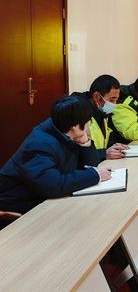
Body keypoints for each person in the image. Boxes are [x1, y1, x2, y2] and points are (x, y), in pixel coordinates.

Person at [0, 96, 112, 224]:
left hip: (42, 200)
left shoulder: (64, 130)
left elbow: (89, 165)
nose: (88, 125)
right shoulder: (39, 145)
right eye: (88, 121)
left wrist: (85, 142)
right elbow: (53, 186)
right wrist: (95, 175)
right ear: (75, 126)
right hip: (15, 210)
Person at [73, 75, 128, 160]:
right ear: (97, 97)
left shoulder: (101, 111)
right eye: (112, 100)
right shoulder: (78, 114)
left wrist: (114, 146)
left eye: (116, 100)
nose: (114, 104)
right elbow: (75, 152)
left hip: (99, 162)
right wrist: (104, 153)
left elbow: (102, 141)